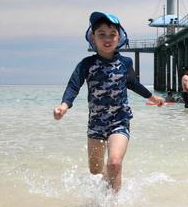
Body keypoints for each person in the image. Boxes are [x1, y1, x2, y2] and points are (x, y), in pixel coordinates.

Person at [52, 11, 164, 192]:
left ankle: (114, 204)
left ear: (119, 38)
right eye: (101, 34)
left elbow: (133, 84)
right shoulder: (86, 64)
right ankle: (108, 183)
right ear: (92, 38)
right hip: (96, 123)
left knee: (114, 162)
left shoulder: (125, 63)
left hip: (119, 121)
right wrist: (64, 106)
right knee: (95, 171)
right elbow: (74, 86)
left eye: (112, 34)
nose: (107, 38)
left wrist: (152, 98)